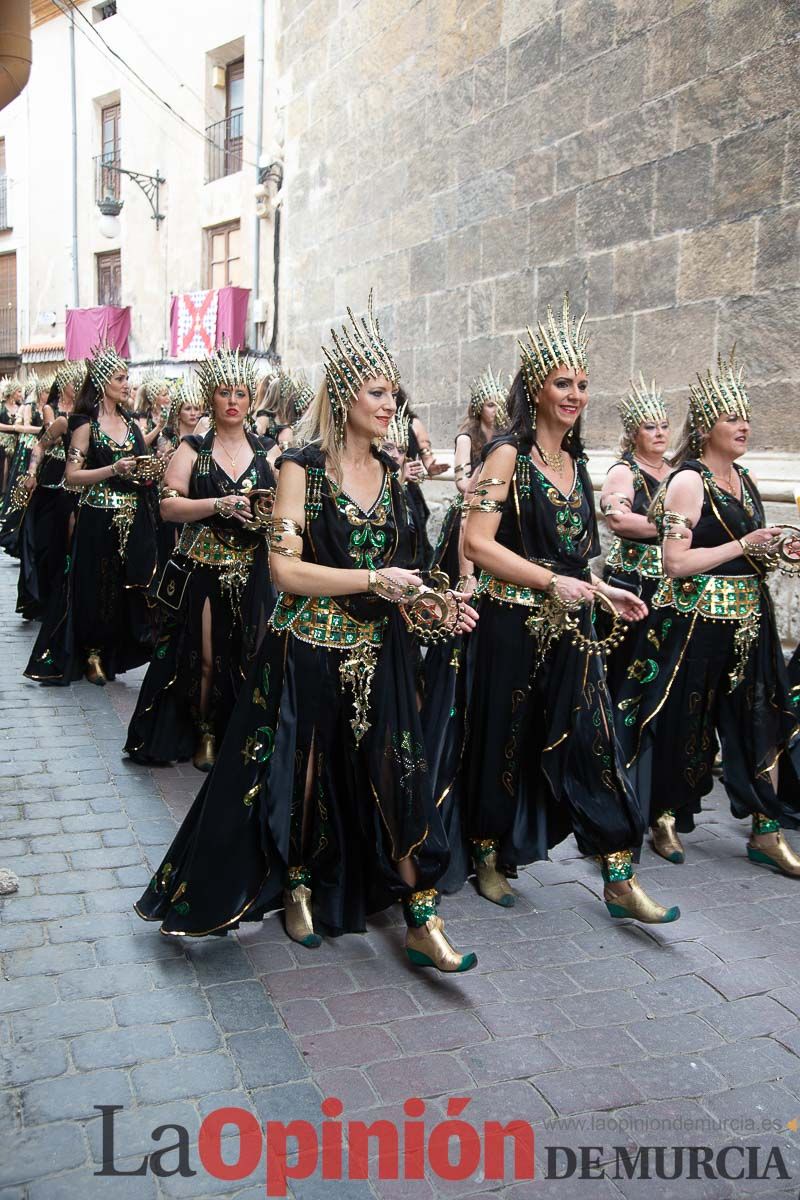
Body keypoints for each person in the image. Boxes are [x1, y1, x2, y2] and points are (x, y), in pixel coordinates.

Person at [135, 294, 479, 972]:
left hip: (380, 655)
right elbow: (287, 572)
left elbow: (407, 575)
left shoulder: (398, 481)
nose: (389, 404)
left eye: (394, 394)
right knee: (300, 772)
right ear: (345, 393)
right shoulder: (303, 467)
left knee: (400, 772)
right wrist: (373, 581)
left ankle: (421, 914)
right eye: (377, 392)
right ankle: (295, 883)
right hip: (305, 650)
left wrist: (435, 607)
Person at [460, 295, 681, 923]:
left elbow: (575, 557)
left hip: (572, 628)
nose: (575, 394)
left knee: (594, 739)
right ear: (534, 386)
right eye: (563, 383)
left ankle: (617, 872)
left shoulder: (576, 464)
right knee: (504, 742)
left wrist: (601, 590)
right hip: (510, 625)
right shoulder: (508, 455)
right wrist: (549, 585)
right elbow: (477, 542)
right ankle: (487, 852)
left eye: (582, 384)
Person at [615, 352, 800, 875]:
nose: (743, 426)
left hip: (749, 618)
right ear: (705, 427)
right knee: (682, 723)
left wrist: (777, 549)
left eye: (745, 416)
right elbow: (675, 562)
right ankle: (665, 817)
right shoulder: (687, 482)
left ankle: (765, 827)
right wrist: (745, 542)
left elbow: (749, 551)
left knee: (759, 718)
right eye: (731, 418)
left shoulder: (745, 478)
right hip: (694, 621)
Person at [125, 349, 276, 770]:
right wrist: (217, 504)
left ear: (250, 401)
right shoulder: (193, 450)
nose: (233, 400)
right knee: (205, 655)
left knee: (251, 652)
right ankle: (204, 729)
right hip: (203, 568)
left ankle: (238, 733)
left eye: (241, 393)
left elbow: (285, 508)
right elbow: (168, 506)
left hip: (252, 568)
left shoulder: (267, 452)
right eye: (224, 392)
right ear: (211, 398)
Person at [24, 343, 158, 686]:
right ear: (102, 383)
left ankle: (115, 648)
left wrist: (151, 471)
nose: (127, 384)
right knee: (96, 586)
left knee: (125, 586)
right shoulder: (85, 425)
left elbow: (140, 470)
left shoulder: (131, 424)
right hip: (97, 516)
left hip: (132, 516)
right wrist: (113, 469)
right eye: (120, 378)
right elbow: (72, 477)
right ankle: (92, 652)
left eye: (128, 378)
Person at [599, 375, 671, 696]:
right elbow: (618, 520)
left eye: (664, 426)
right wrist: (675, 528)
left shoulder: (677, 470)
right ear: (633, 433)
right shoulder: (624, 471)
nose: (660, 434)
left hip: (672, 579)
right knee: (628, 663)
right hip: (634, 579)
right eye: (650, 427)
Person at [16, 363, 84, 620]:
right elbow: (42, 444)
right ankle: (45, 596)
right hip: (54, 480)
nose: (76, 389)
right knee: (47, 543)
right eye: (73, 384)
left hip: (83, 487)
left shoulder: (96, 419)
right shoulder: (58, 416)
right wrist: (32, 473)